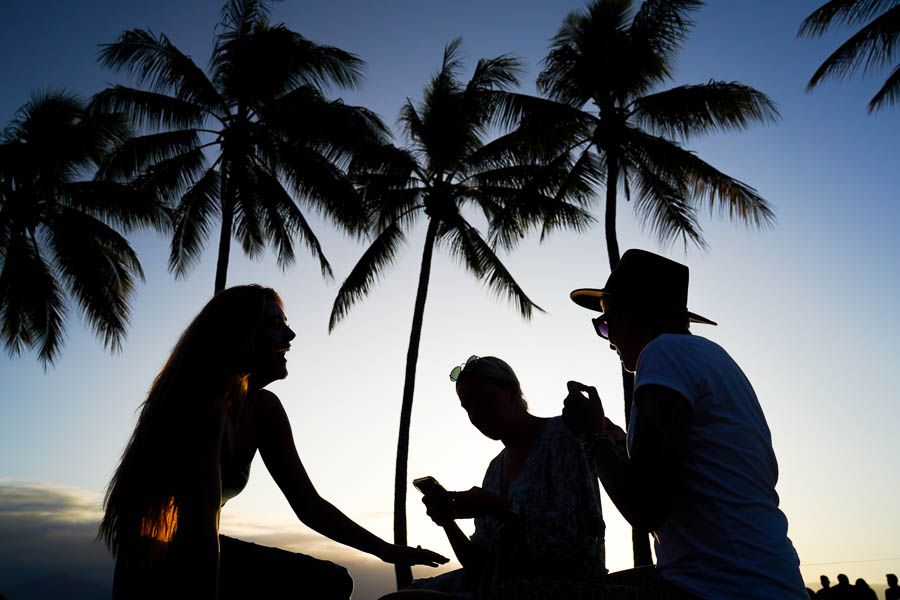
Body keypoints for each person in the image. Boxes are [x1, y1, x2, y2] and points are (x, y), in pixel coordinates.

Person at [99, 285, 447, 599]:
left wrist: (386, 551)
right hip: (160, 562)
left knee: (330, 581)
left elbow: (309, 505)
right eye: (274, 324)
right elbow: (199, 529)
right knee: (326, 583)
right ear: (239, 333)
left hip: (203, 550)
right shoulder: (199, 405)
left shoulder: (264, 409)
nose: (290, 334)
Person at [563, 249, 808, 599]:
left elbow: (646, 506)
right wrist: (616, 445)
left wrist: (593, 439)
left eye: (607, 323)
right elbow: (680, 475)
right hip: (764, 579)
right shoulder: (713, 357)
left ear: (636, 315)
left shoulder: (663, 353)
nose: (608, 338)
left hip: (722, 588)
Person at [381, 355, 606, 599]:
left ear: (512, 392)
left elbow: (577, 541)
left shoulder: (563, 436)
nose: (476, 414)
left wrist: (498, 508)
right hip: (500, 584)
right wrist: (447, 521)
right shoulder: (495, 468)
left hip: (554, 586)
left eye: (484, 401)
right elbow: (479, 566)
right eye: (468, 407)